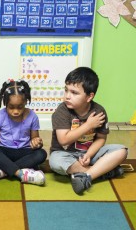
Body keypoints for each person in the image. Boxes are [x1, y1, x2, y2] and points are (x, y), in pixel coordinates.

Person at [49, 67, 127, 195]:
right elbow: (63, 139)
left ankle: (87, 176)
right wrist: (88, 125)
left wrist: (89, 154)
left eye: (74, 93)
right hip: (65, 154)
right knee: (55, 161)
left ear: (89, 96)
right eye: (66, 90)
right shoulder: (62, 111)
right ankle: (101, 172)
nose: (67, 96)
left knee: (121, 151)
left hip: (90, 155)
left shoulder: (99, 111)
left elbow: (101, 138)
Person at [0, 79, 47, 186]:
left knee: (41, 154)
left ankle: (3, 171)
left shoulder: (32, 116)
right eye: (11, 107)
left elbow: (35, 141)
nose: (15, 111)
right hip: (4, 151)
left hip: (24, 151)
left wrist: (37, 142)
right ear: (5, 103)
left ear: (25, 102)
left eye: (20, 107)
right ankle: (20, 173)